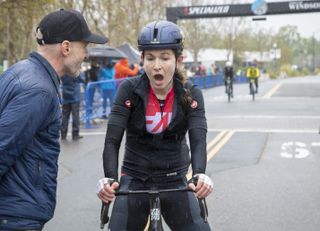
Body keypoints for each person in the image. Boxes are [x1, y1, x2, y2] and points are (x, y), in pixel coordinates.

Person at [97, 20, 213, 230]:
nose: (156, 65)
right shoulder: (129, 90)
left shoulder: (190, 93)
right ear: (142, 60)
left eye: (164, 58)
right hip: (134, 179)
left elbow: (198, 139)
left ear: (178, 60)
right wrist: (110, 179)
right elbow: (112, 140)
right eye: (150, 58)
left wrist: (199, 174)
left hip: (174, 179)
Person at [0, 9, 107, 230]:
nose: (86, 55)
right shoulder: (39, 91)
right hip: (15, 215)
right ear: (66, 47)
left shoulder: (19, 72)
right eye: (84, 46)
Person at [61, 74, 84, 140]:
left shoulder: (64, 70)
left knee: (65, 116)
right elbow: (81, 80)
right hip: (75, 95)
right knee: (75, 116)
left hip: (65, 95)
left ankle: (63, 134)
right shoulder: (75, 71)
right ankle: (75, 134)